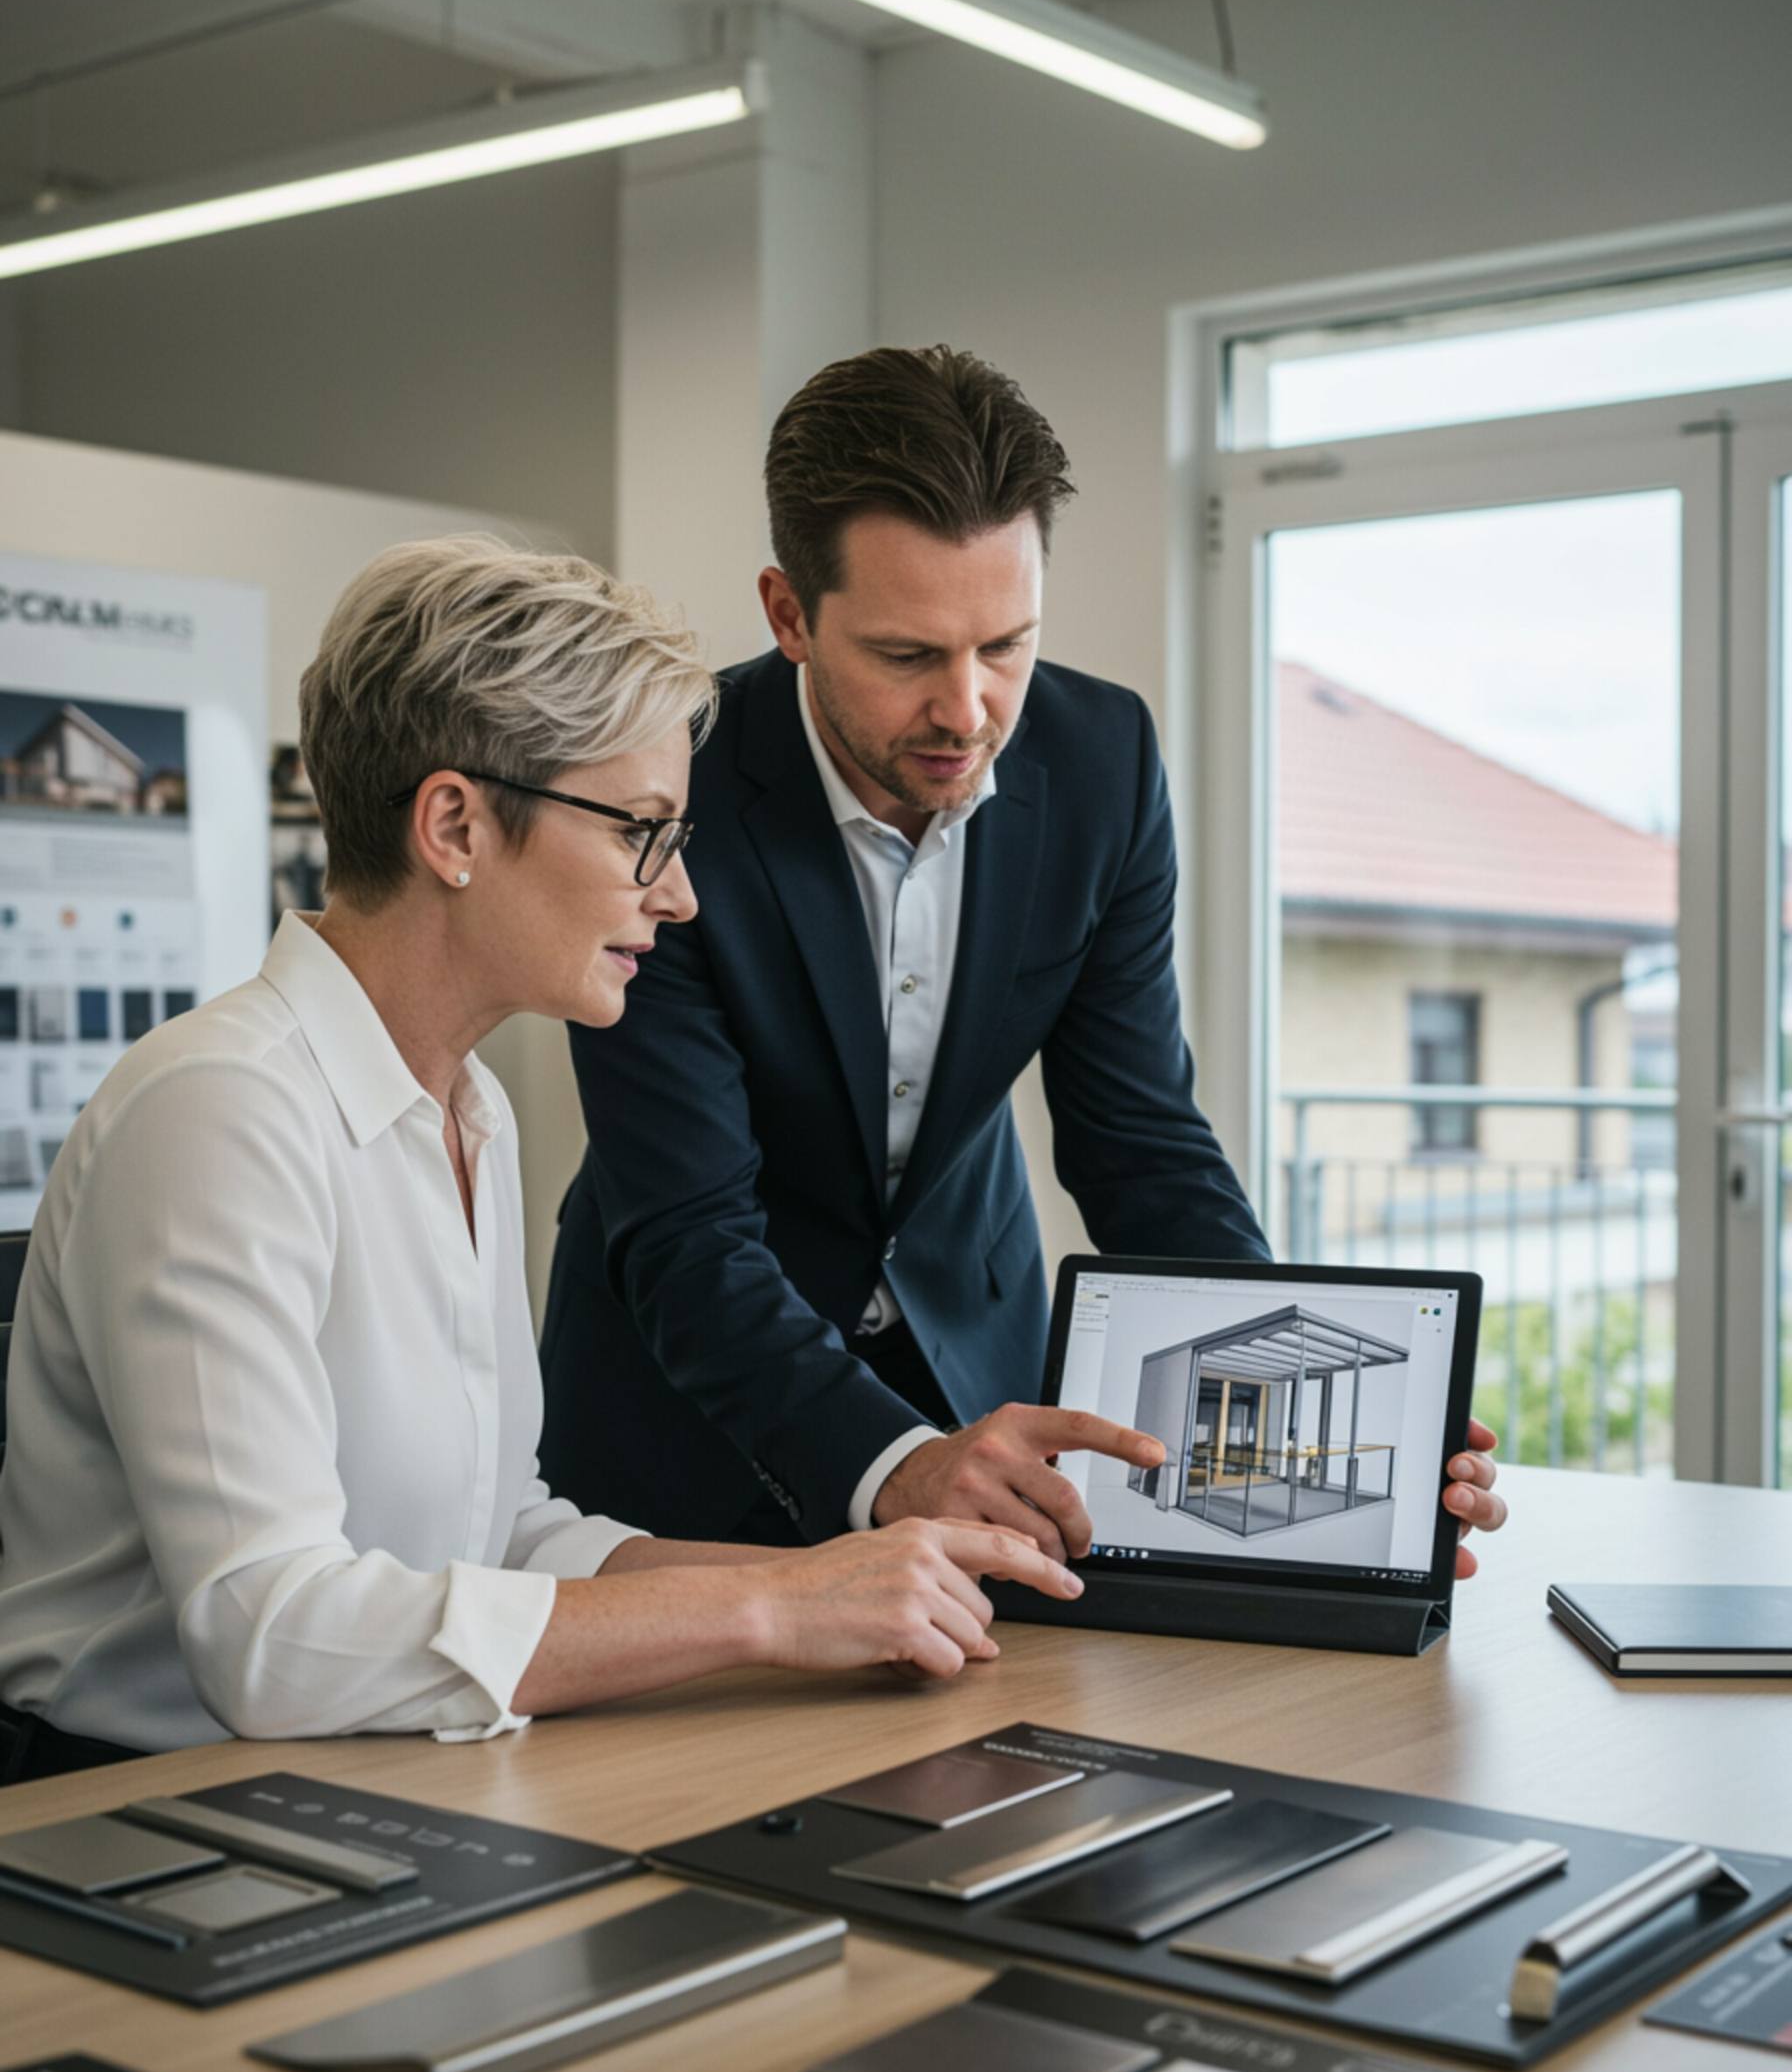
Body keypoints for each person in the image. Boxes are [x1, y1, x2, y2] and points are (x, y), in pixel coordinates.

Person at [0, 538, 1078, 1782]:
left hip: (369, 1776)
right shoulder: (218, 1109)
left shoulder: (469, 1110)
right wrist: (768, 1614)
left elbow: (505, 1537)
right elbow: (269, 1633)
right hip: (120, 1808)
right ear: (454, 824)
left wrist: (848, 1587)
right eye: (642, 832)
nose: (677, 898)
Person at [539, 347, 1506, 1563]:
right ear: (788, 613)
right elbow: (687, 1232)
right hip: (682, 1416)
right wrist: (893, 1466)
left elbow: (1140, 1139)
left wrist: (1321, 1433)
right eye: (906, 656)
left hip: (972, 1378)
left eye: (1006, 643)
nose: (968, 710)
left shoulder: (1099, 760)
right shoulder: (667, 784)